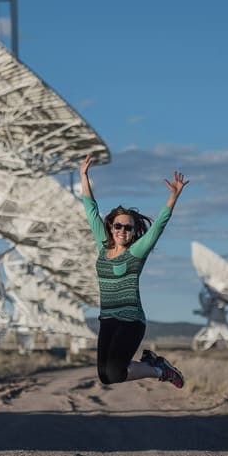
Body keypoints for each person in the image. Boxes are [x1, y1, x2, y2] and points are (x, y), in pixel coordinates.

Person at [80, 154, 188, 388]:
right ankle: (154, 364)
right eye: (118, 225)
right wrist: (83, 176)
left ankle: (160, 370)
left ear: (133, 231)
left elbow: (158, 227)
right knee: (105, 376)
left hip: (130, 321)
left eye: (128, 227)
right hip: (107, 320)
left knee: (116, 372)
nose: (122, 230)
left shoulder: (136, 252)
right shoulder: (103, 245)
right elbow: (91, 211)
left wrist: (173, 197)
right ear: (111, 226)